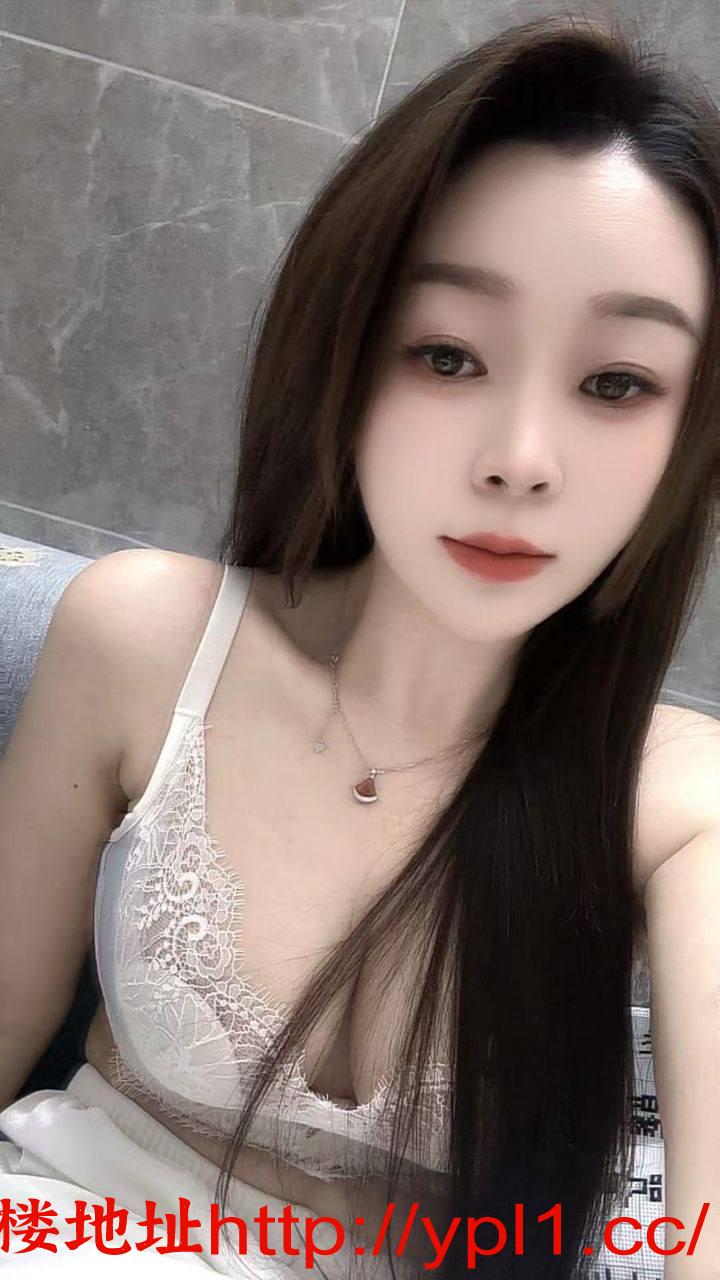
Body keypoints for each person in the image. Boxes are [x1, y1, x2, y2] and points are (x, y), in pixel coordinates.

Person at [1, 11, 719, 1278]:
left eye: (616, 382)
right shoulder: (144, 641)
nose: (520, 459)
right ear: (345, 352)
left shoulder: (676, 805)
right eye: (448, 353)